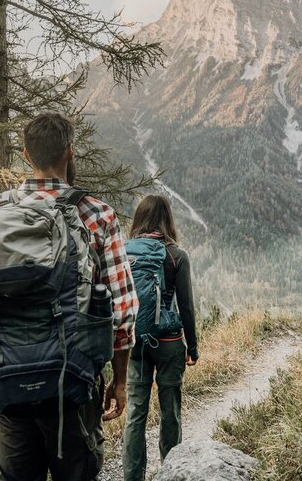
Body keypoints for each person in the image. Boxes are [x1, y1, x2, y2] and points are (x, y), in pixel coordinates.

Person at [0, 112, 139, 480]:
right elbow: (121, 308)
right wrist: (119, 380)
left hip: (6, 380)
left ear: (26, 154)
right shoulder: (96, 214)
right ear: (70, 152)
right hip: (72, 381)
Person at [122, 195, 200, 481]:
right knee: (171, 413)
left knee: (135, 416)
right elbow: (186, 306)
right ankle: (171, 473)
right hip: (169, 344)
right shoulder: (176, 255)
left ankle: (133, 477)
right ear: (167, 219)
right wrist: (192, 346)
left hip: (135, 344)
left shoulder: (124, 251)